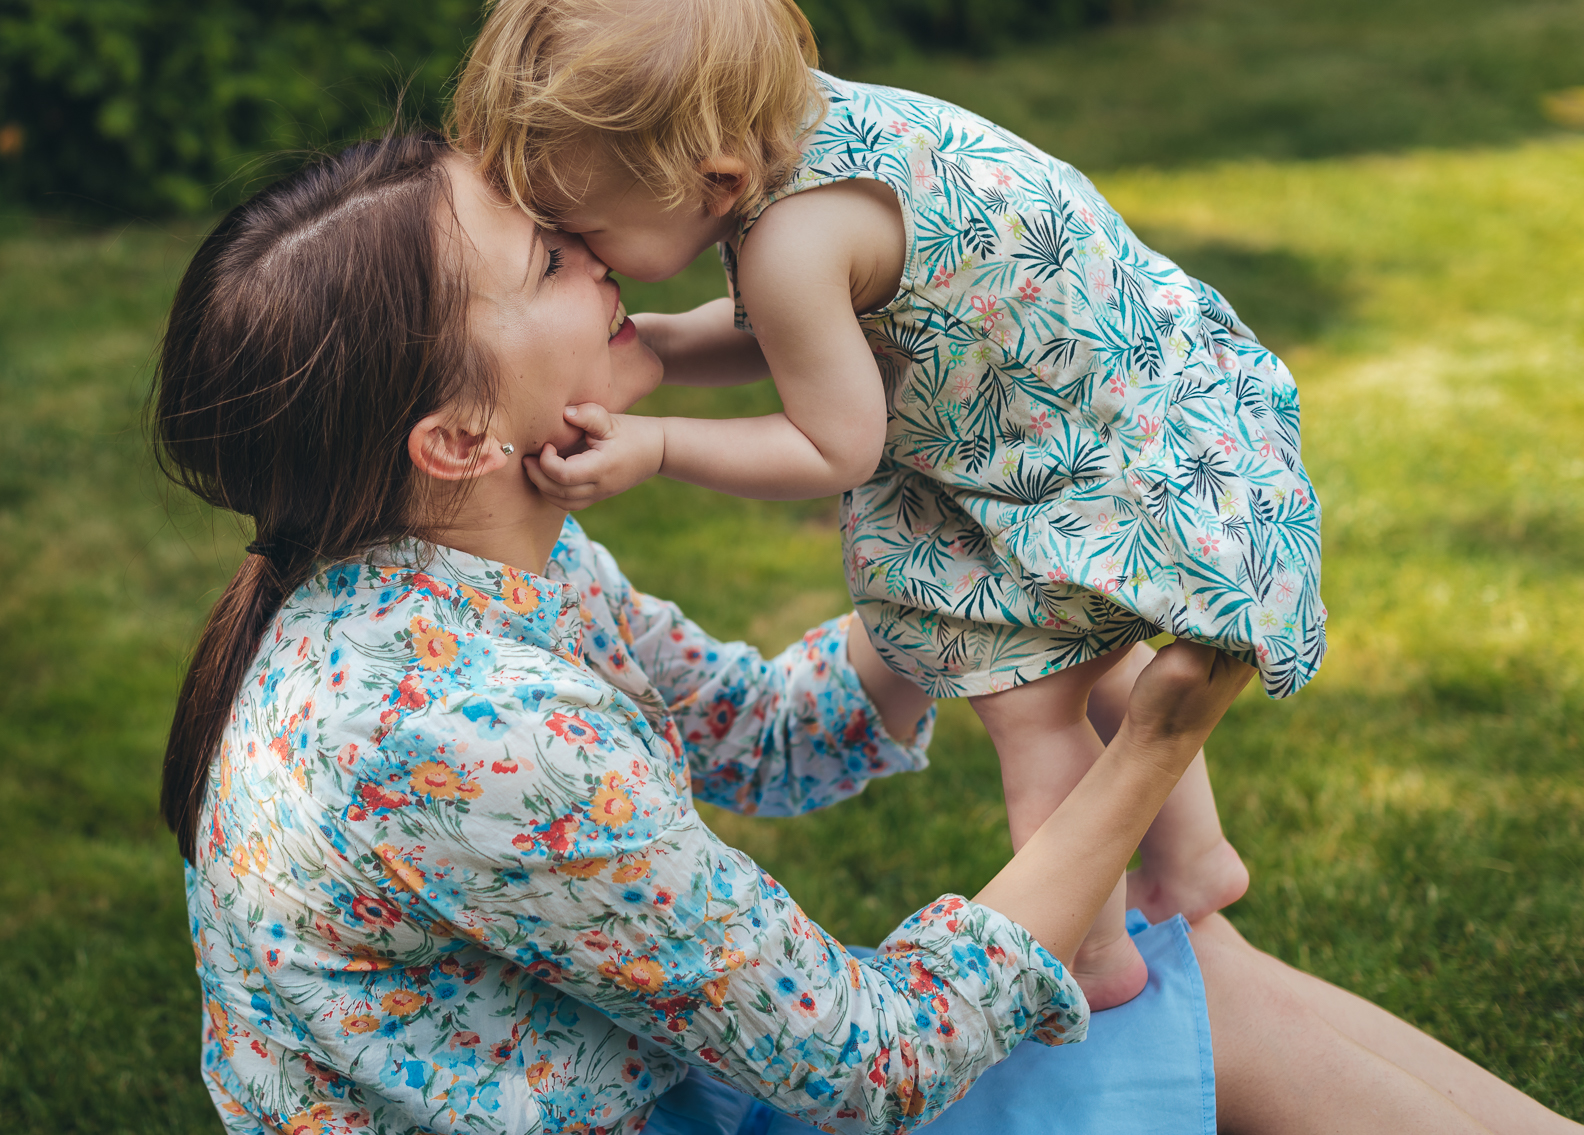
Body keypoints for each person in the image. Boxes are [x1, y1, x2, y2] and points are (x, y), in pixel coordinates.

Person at [150, 132, 1577, 1134]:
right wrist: (1152, 748)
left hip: (651, 1090)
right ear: (456, 434)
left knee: (1192, 965)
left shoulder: (448, 577)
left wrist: (996, 557)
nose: (596, 247)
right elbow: (866, 1058)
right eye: (543, 257)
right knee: (1183, 990)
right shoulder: (472, 734)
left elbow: (758, 732)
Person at [449, 0, 1317, 1007]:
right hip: (1121, 381)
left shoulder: (787, 243)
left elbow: (835, 435)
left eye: (584, 225)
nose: (576, 247)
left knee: (1028, 688)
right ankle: (1191, 859)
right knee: (1089, 642)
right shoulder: (804, 135)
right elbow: (812, 340)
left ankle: (1088, 949)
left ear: (711, 183)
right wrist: (661, 343)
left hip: (1059, 443)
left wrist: (661, 443)